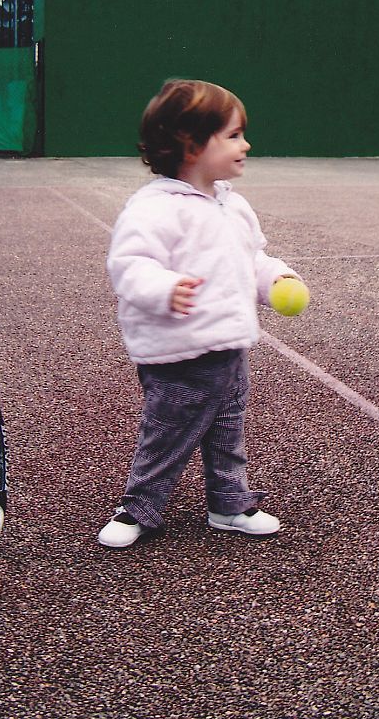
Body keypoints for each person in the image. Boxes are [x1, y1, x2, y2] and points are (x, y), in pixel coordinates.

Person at [98, 79, 305, 548]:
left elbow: (250, 259)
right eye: (233, 135)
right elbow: (129, 266)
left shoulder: (234, 206)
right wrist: (165, 288)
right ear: (190, 145)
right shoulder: (154, 210)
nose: (245, 143)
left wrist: (276, 280)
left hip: (228, 342)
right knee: (168, 432)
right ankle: (139, 508)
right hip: (178, 348)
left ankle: (228, 503)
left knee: (227, 428)